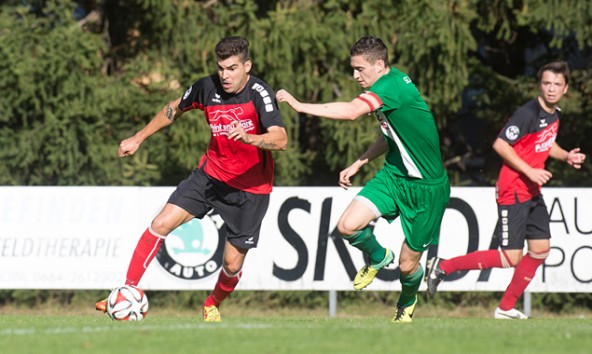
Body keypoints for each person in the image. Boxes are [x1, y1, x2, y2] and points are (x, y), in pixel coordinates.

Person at [95, 36, 288, 322]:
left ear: (247, 66)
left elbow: (281, 139)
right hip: (210, 177)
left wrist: (249, 137)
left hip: (250, 190)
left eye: (232, 68)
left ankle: (212, 303)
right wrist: (138, 138)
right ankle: (128, 290)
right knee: (160, 223)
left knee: (232, 265)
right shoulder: (206, 87)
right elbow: (173, 109)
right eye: (221, 68)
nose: (225, 75)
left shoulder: (259, 93)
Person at [276, 35, 450, 323]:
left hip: (426, 189)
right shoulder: (388, 85)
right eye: (353, 69)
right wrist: (358, 163)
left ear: (379, 65)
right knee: (346, 226)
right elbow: (391, 138)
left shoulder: (390, 86)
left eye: (360, 69)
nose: (355, 75)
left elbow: (351, 112)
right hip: (394, 177)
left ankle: (406, 302)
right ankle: (379, 256)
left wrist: (300, 106)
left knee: (408, 267)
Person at [425, 60, 586, 319]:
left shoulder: (554, 114)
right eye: (547, 83)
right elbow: (501, 145)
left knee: (541, 249)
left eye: (557, 84)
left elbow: (546, 144)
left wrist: (566, 155)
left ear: (565, 89)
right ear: (539, 85)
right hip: (513, 189)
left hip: (531, 191)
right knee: (511, 257)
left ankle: (506, 308)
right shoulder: (528, 113)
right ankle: (444, 266)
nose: (551, 89)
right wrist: (530, 171)